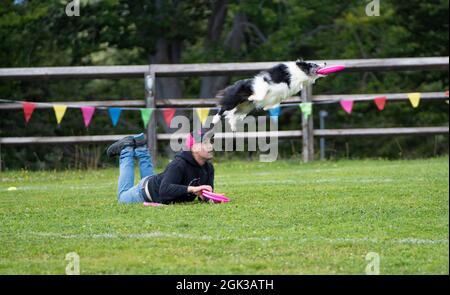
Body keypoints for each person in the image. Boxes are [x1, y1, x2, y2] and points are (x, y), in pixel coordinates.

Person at [106, 132, 215, 204]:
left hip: (154, 181)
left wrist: (210, 197)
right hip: (143, 193)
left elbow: (204, 197)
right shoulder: (178, 164)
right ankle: (127, 149)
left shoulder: (208, 168)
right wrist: (192, 189)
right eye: (205, 143)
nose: (210, 146)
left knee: (150, 178)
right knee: (122, 198)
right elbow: (164, 190)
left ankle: (141, 147)